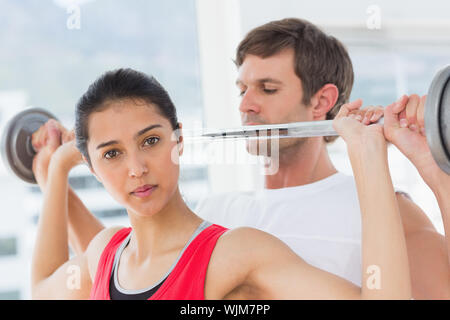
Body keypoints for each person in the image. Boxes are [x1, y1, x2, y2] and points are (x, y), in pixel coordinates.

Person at [32, 18, 450, 299]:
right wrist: (59, 174)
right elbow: (115, 262)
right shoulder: (218, 209)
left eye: (267, 89)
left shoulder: (384, 207)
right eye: (241, 90)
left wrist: (436, 173)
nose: (246, 106)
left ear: (323, 101)